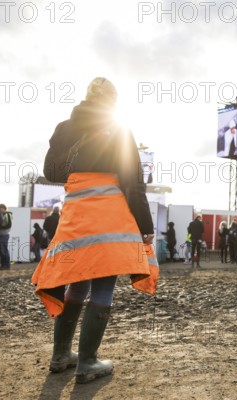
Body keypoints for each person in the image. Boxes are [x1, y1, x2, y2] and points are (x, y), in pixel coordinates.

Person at [32, 77, 158, 384]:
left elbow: (49, 171)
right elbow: (132, 182)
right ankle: (87, 362)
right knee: (103, 287)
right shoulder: (118, 129)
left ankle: (61, 355)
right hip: (109, 218)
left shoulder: (64, 128)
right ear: (112, 102)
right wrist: (145, 226)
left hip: (75, 217)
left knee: (76, 284)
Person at [0, 204, 12, 269]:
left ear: (3, 208)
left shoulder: (8, 214)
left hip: (4, 234)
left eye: (0, 208)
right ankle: (3, 265)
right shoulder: (2, 215)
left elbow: (9, 225)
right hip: (1, 234)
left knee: (4, 250)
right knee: (1, 250)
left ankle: (6, 265)